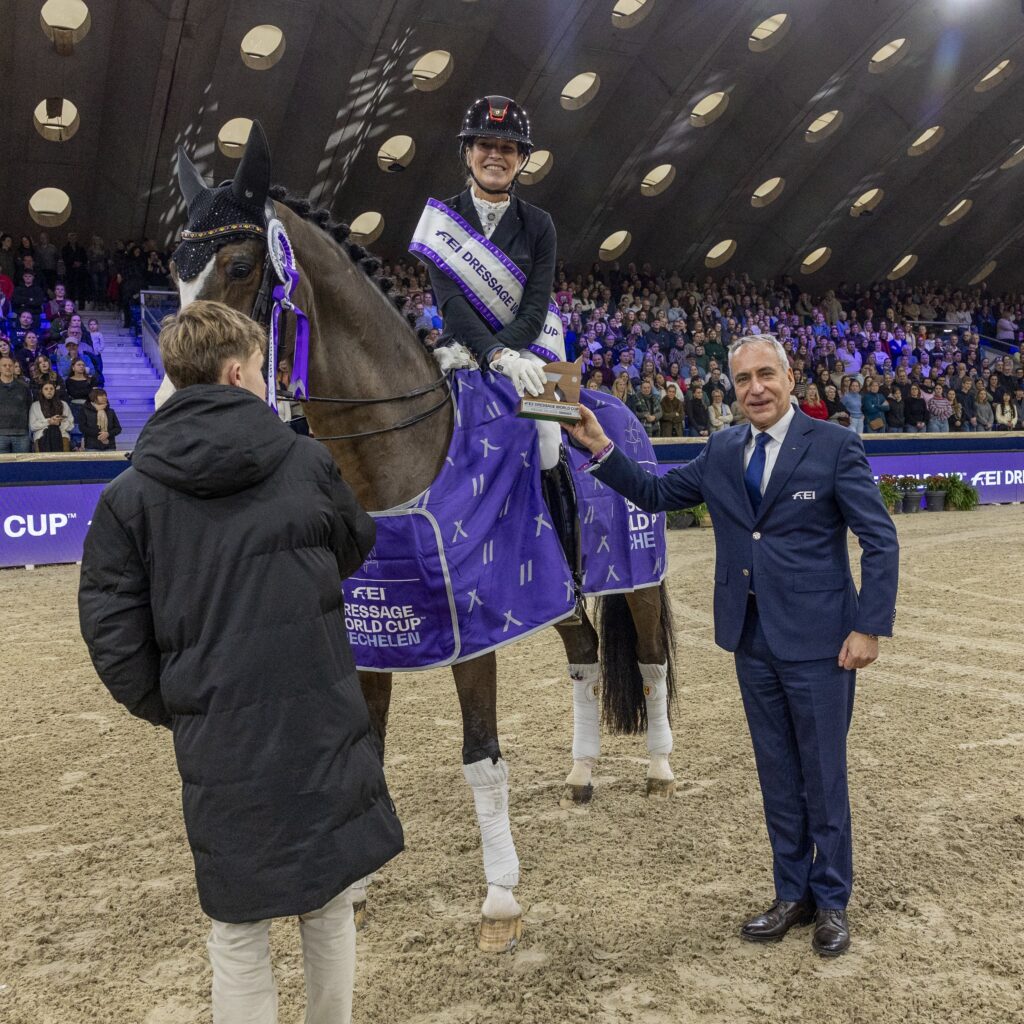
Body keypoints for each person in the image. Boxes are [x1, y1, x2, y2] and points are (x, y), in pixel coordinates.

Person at [78, 300, 403, 1024]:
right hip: (320, 715)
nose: (266, 379)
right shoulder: (308, 459)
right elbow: (355, 544)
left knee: (236, 927)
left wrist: (185, 701)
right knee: (326, 904)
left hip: (219, 733)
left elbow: (111, 633)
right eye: (260, 367)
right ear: (235, 372)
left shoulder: (127, 495)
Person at [566, 334, 898, 958]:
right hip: (752, 639)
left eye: (766, 375)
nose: (756, 389)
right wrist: (600, 448)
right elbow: (660, 495)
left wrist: (868, 627)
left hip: (823, 642)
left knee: (823, 776)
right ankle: (791, 895)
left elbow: (880, 540)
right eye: (743, 380)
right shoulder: (721, 450)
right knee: (777, 773)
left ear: (791, 377)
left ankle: (831, 902)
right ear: (730, 388)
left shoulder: (834, 446)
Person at [29, 380, 75, 451]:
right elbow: (32, 426)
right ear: (41, 391)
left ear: (55, 390)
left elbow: (71, 425)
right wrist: (49, 422)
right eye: (46, 389)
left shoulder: (63, 404)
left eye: (51, 388)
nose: (49, 391)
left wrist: (59, 423)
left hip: (62, 436)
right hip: (41, 437)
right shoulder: (35, 406)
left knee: (63, 461)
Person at [0, 355, 32, 453]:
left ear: (14, 368)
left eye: (10, 365)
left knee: (22, 468)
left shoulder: (24, 387)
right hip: (0, 435)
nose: (8, 367)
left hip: (21, 434)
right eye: (4, 365)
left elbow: (29, 406)